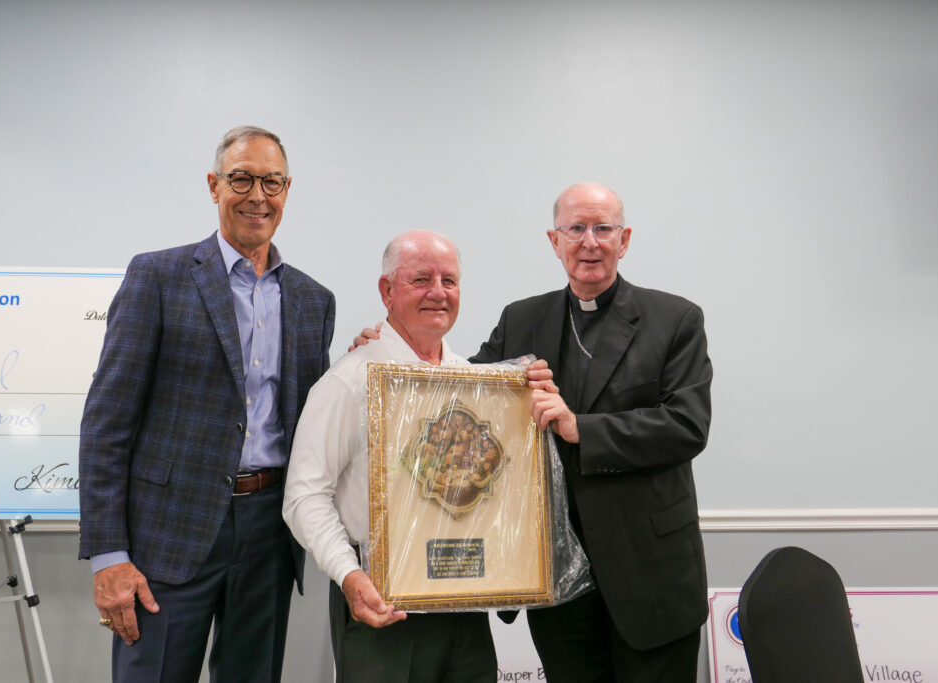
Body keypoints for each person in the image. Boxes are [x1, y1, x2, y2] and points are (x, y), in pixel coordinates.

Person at [353, 183, 712, 681]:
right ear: (554, 240)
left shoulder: (674, 319)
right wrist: (389, 343)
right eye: (576, 229)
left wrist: (579, 428)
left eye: (603, 228)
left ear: (623, 239)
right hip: (555, 578)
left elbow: (686, 425)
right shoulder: (522, 319)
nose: (590, 241)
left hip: (650, 576)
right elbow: (455, 390)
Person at [78, 125, 335, 682]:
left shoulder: (314, 300)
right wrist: (107, 556)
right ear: (215, 185)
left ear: (288, 191)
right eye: (241, 178)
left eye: (272, 182)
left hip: (271, 529)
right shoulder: (159, 276)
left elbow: (317, 420)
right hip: (168, 536)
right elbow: (106, 424)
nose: (257, 195)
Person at [284, 231, 509, 682]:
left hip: (465, 609)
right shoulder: (349, 382)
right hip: (381, 605)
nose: (438, 292)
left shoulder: (477, 384)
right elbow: (305, 496)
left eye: (450, 280)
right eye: (421, 279)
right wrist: (349, 576)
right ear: (387, 291)